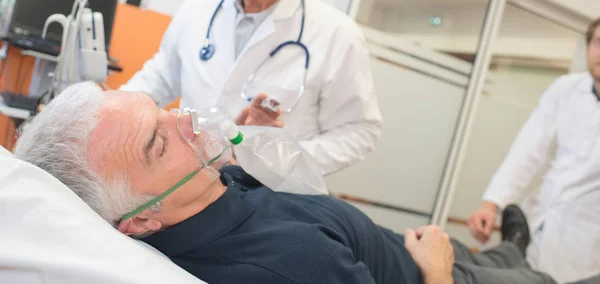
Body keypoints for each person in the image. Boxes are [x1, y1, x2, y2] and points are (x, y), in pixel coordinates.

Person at [15, 82, 567, 284]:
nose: (187, 123)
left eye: (164, 110)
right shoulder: (289, 270)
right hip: (428, 270)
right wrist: (438, 274)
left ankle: (509, 249)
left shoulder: (201, 193)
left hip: (396, 246)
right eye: (158, 143)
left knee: (495, 256)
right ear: (138, 219)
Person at [119, 0, 382, 175]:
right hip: (186, 182)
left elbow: (359, 131)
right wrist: (107, 108)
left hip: (269, 197)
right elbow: (159, 79)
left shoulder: (337, 34)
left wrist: (278, 159)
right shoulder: (198, 7)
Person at [468, 17, 600, 283]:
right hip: (537, 222)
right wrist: (491, 204)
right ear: (588, 47)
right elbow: (527, 150)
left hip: (586, 245)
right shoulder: (565, 89)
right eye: (599, 42)